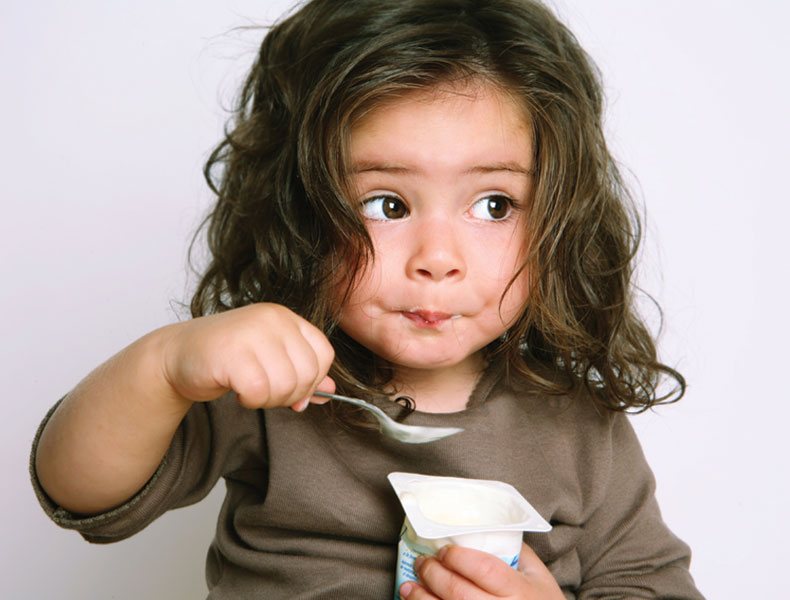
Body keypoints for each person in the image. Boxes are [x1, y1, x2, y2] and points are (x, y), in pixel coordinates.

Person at [30, 0, 705, 598]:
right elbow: (79, 492)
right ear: (300, 213)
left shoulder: (581, 429)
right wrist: (165, 366)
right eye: (386, 204)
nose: (437, 259)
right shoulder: (271, 382)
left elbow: (656, 586)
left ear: (559, 218)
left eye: (493, 205)